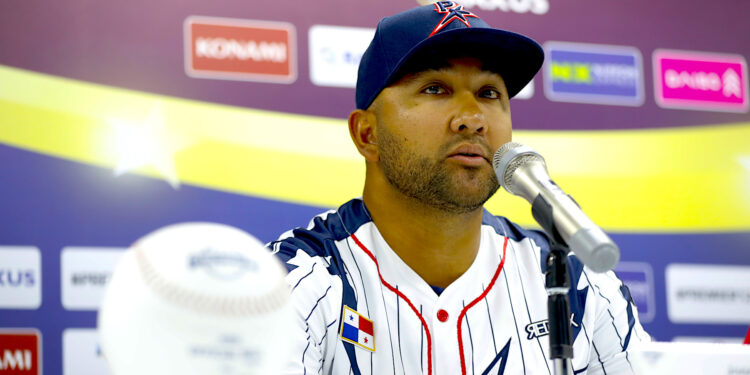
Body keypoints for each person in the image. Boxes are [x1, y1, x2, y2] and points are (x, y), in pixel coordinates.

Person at [268, 2, 649, 374]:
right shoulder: (295, 282)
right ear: (367, 134)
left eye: (488, 93)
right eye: (435, 89)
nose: (473, 119)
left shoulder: (574, 280)